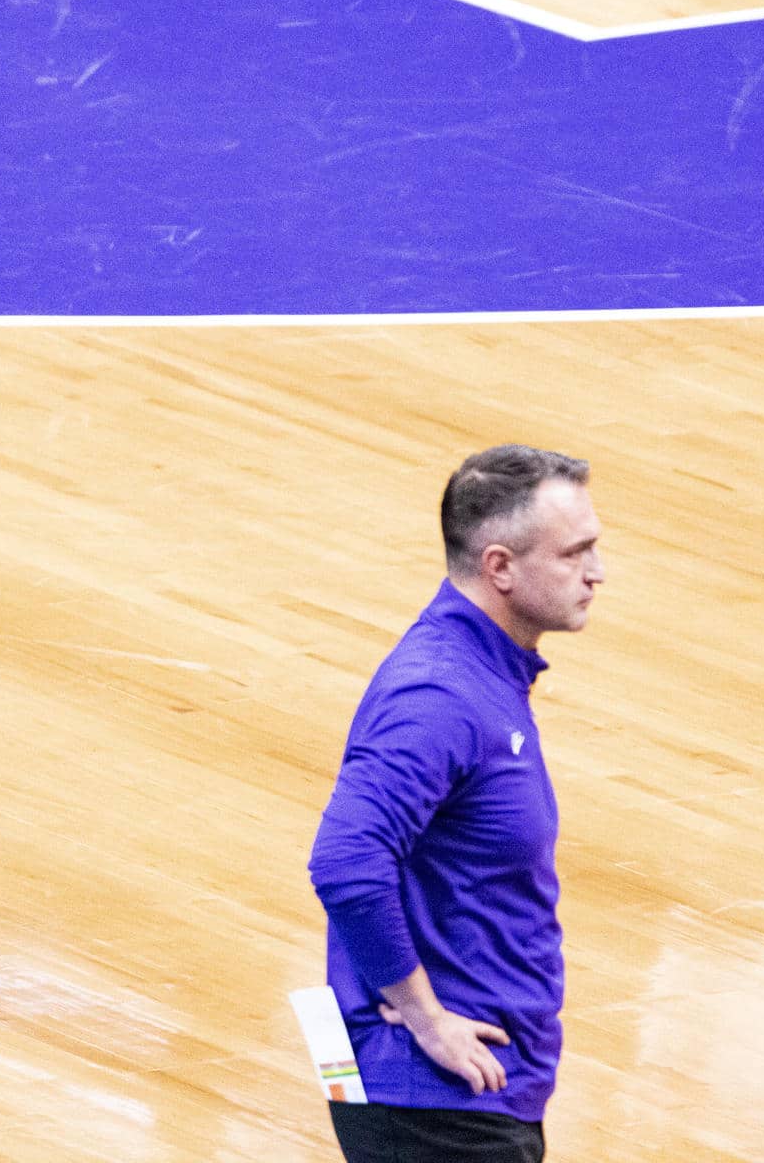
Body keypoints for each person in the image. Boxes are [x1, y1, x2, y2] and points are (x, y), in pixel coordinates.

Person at [307, 445, 605, 1163]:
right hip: (433, 1092)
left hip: (433, 1085)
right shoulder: (440, 695)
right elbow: (345, 861)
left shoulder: (481, 673)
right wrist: (426, 1019)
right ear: (500, 567)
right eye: (574, 554)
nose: (598, 573)